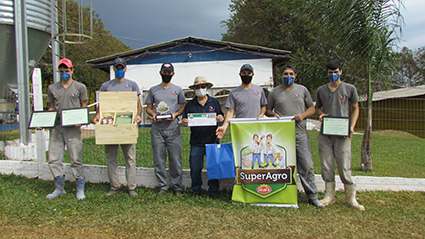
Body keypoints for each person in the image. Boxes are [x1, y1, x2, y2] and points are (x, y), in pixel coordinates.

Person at [266, 65, 325, 208]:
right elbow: (267, 110)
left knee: (307, 165)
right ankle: (281, 194)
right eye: (285, 73)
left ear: (295, 76)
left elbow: (311, 108)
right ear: (280, 76)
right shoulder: (274, 92)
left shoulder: (302, 90)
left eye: (291, 74)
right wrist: (273, 114)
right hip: (282, 135)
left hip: (300, 134)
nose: (288, 76)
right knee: (281, 165)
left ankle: (312, 196)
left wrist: (302, 115)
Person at [316, 60, 364, 211]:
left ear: (341, 72)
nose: (333, 75)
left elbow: (355, 108)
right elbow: (318, 107)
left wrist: (352, 126)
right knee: (326, 164)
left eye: (336, 72)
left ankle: (350, 198)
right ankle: (329, 196)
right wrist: (321, 115)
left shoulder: (349, 89)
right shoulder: (321, 90)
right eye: (330, 73)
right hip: (326, 133)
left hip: (343, 134)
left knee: (344, 165)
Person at [93, 57, 142, 197]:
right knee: (111, 158)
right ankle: (115, 186)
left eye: (122, 68)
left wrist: (138, 115)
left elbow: (137, 104)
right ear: (113, 69)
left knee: (130, 158)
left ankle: (131, 187)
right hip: (110, 127)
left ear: (125, 69)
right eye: (117, 68)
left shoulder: (132, 85)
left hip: (127, 127)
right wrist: (98, 116)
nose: (119, 70)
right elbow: (102, 106)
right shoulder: (105, 86)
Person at [43, 58, 87, 200]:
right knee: (54, 159)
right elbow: (50, 108)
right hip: (57, 127)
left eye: (67, 71)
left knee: (75, 158)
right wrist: (44, 122)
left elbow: (83, 106)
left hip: (73, 128)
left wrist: (81, 120)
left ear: (72, 70)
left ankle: (80, 188)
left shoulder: (80, 87)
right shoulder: (52, 88)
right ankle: (59, 188)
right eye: (61, 71)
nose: (64, 74)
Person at [146, 63, 186, 196]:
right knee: (159, 158)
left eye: (169, 72)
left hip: (173, 128)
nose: (166, 74)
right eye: (164, 72)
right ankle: (162, 186)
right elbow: (148, 108)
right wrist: (153, 115)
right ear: (160, 73)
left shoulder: (178, 90)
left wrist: (175, 114)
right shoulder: (153, 90)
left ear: (173, 74)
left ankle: (177, 186)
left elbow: (182, 107)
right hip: (157, 129)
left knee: (175, 159)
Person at [181, 76, 224, 199]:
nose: (201, 89)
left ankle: (214, 191)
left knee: (213, 167)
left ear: (207, 88)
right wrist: (184, 121)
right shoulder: (190, 104)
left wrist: (221, 118)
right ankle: (196, 190)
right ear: (194, 89)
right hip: (196, 142)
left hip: (212, 140)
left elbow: (220, 115)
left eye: (203, 87)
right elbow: (184, 119)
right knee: (195, 168)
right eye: (198, 87)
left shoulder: (214, 102)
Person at [216, 64, 267, 139]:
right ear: (240, 75)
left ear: (253, 75)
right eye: (244, 73)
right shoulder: (234, 92)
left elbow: (263, 106)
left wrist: (262, 114)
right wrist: (224, 126)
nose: (246, 75)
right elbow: (230, 112)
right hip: (241, 128)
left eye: (248, 73)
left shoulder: (259, 90)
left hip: (257, 127)